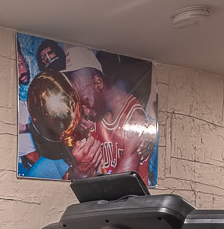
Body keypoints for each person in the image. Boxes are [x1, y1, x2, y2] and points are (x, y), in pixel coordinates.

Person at [60, 48, 156, 182]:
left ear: (98, 83)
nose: (85, 112)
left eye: (86, 102)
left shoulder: (135, 118)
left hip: (132, 201)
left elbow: (121, 184)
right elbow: (67, 180)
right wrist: (79, 170)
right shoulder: (95, 116)